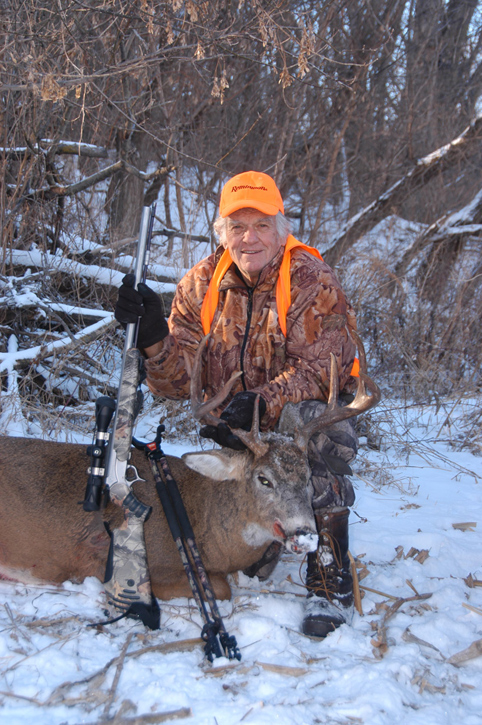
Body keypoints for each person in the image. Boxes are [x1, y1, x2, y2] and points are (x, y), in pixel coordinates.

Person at [115, 170, 360, 638]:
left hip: (297, 420)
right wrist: (152, 342)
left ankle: (329, 576)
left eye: (262, 224)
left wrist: (261, 401)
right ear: (222, 232)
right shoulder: (201, 283)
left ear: (280, 229)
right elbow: (176, 380)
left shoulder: (310, 278)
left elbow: (318, 371)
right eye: (237, 226)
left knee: (316, 431)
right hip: (237, 423)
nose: (249, 238)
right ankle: (258, 538)